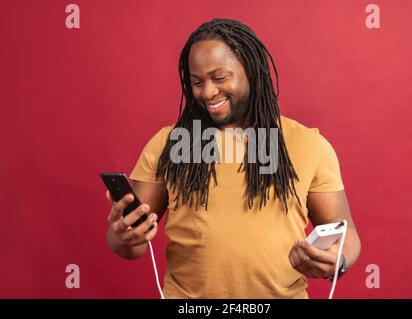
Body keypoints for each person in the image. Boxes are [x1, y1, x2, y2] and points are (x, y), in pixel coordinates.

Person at [105, 18, 361, 298]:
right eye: (197, 82)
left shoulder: (308, 144)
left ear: (251, 70)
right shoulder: (168, 144)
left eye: (219, 78)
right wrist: (123, 237)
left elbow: (344, 230)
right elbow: (131, 243)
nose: (208, 92)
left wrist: (337, 260)